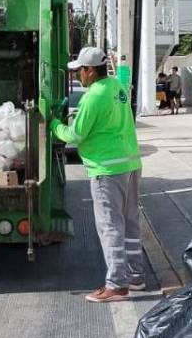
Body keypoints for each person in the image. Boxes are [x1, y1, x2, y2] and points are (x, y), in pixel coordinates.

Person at [51, 47, 147, 302]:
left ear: (90, 71)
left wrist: (53, 125)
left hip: (107, 168)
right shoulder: (117, 87)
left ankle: (116, 284)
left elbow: (75, 135)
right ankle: (136, 276)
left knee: (109, 227)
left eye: (79, 71)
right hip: (130, 162)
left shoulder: (93, 96)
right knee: (130, 221)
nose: (77, 76)